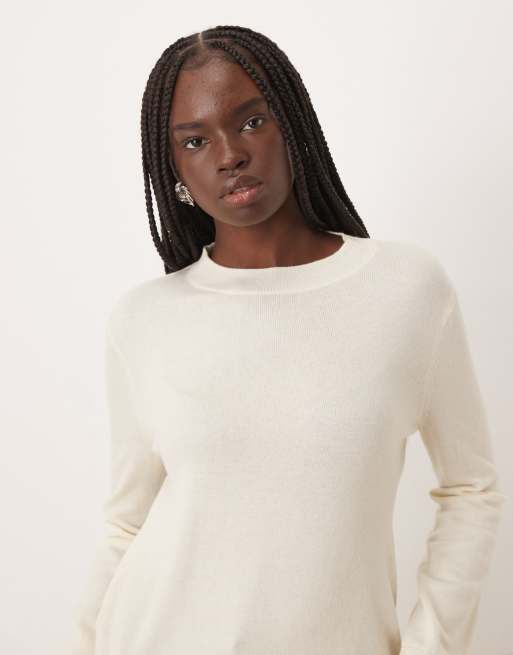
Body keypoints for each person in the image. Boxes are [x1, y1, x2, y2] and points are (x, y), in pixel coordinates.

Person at [70, 25, 507, 655]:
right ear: (176, 171)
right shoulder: (145, 319)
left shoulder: (406, 290)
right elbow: (126, 524)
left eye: (251, 122)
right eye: (195, 140)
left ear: (292, 123)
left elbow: (471, 490)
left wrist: (430, 645)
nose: (229, 155)